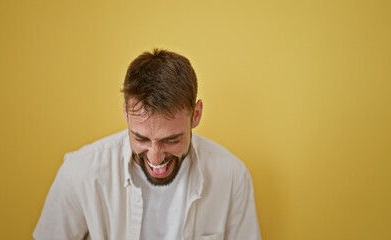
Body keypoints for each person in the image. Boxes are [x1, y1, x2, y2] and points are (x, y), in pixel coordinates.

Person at [33, 49, 261, 240]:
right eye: (141, 138)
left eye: (171, 140)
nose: (155, 158)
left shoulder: (232, 176)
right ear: (125, 111)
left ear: (196, 115)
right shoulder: (79, 172)